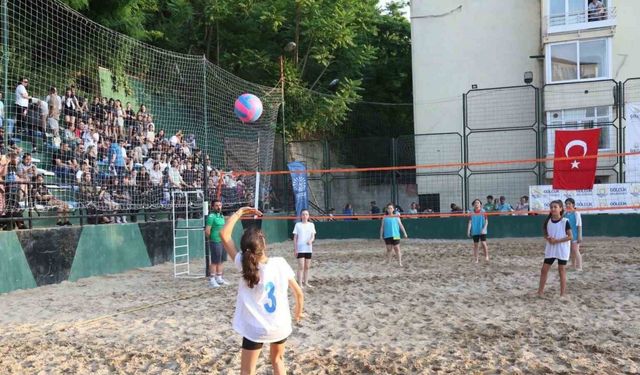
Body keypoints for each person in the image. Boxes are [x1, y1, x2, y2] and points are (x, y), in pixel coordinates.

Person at [219, 206, 304, 375]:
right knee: (278, 361)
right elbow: (299, 294)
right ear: (264, 244)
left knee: (247, 371)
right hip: (279, 325)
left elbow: (224, 235)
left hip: (255, 328)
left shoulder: (243, 262)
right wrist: (298, 313)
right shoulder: (280, 263)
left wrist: (239, 213)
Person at [537, 200, 572, 297]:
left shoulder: (565, 221)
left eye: (555, 207)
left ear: (561, 209)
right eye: (551, 207)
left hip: (562, 248)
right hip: (551, 248)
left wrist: (556, 241)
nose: (553, 209)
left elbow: (570, 237)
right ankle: (540, 292)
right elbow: (545, 233)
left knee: (561, 270)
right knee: (544, 270)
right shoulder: (548, 221)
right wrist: (548, 238)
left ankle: (562, 294)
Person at [205, 199, 227, 288]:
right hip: (215, 241)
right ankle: (212, 279)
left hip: (222, 241)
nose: (219, 207)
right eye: (217, 205)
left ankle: (219, 277)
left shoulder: (221, 216)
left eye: (220, 205)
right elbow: (207, 231)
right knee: (215, 261)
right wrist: (211, 239)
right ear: (213, 207)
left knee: (221, 260)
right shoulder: (211, 216)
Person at [293, 209, 316, 288]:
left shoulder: (311, 225)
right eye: (303, 214)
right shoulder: (298, 225)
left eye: (306, 214)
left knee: (307, 266)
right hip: (300, 248)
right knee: (301, 266)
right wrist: (295, 249)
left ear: (308, 216)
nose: (305, 216)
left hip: (308, 248)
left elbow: (313, 236)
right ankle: (300, 283)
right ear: (301, 216)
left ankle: (306, 282)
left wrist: (310, 241)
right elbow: (295, 238)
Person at [467, 199, 489, 263]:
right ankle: (476, 259)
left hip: (482, 230)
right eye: (475, 203)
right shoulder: (472, 212)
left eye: (478, 203)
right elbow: (470, 222)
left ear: (480, 204)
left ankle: (486, 256)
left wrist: (484, 228)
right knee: (476, 245)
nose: (477, 204)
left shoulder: (483, 211)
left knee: (483, 243)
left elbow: (487, 221)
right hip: (475, 231)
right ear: (473, 205)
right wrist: (468, 231)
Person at [564, 198, 583, 271]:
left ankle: (579, 267)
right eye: (566, 204)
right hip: (568, 235)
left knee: (576, 250)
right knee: (572, 251)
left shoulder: (576, 213)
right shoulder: (565, 214)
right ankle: (573, 265)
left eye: (569, 204)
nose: (568, 205)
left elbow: (579, 225)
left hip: (575, 235)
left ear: (573, 205)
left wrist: (579, 235)